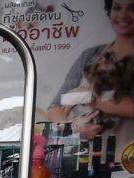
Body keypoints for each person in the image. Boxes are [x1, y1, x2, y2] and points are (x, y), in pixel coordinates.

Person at [46, 0, 134, 143]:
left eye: (132, 9)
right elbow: (55, 107)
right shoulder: (90, 55)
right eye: (117, 8)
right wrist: (73, 130)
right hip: (84, 154)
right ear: (110, 11)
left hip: (126, 151)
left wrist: (90, 99)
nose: (123, 15)